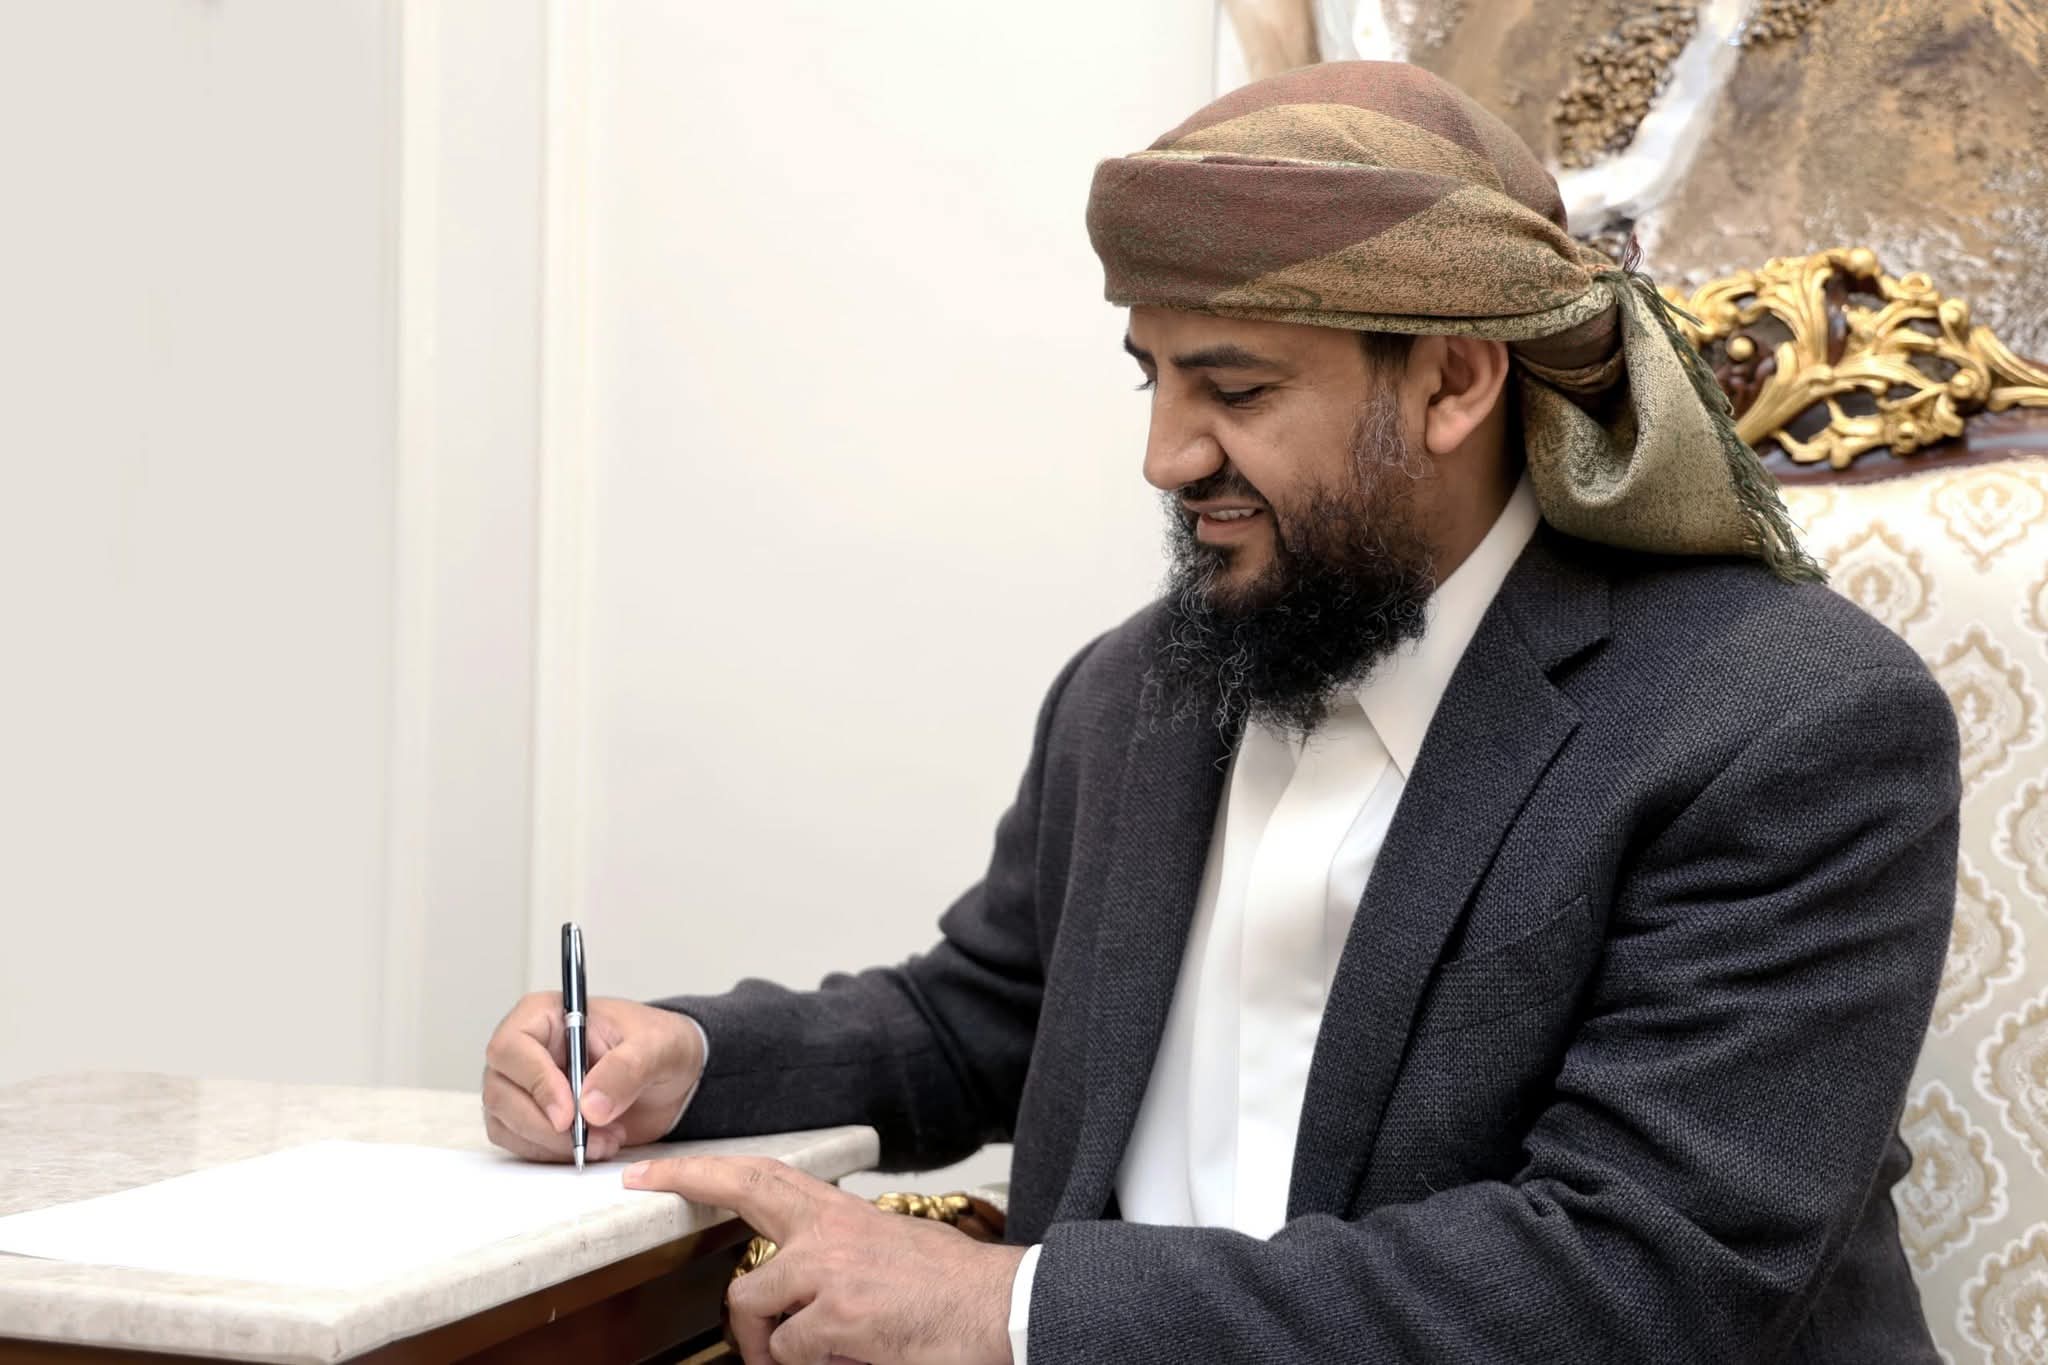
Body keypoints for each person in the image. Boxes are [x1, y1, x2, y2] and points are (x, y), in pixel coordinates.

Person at [482, 61, 1958, 1364]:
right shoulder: (1140, 685)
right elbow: (986, 1016)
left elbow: (1632, 1286)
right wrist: (681, 1059)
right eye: (1152, 378)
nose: (1166, 455)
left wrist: (1012, 1311)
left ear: (1453, 382)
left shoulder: (1786, 726)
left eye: (1233, 389)